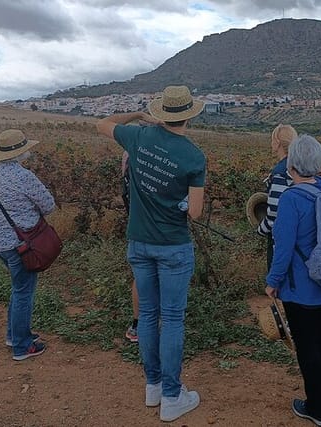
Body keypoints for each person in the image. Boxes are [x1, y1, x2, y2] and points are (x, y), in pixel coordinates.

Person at [96, 85, 206, 423]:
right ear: (189, 114)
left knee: (147, 314)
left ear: (161, 113)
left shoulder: (138, 137)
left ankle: (153, 386)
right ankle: (172, 397)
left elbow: (103, 123)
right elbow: (196, 213)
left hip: (138, 243)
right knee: (172, 319)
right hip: (173, 245)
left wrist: (138, 116)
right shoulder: (193, 156)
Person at [265, 134, 321, 427]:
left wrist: (273, 281)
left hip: (300, 287)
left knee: (307, 346)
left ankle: (318, 409)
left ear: (292, 163)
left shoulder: (291, 199)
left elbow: (282, 247)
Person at [0, 129, 55, 361]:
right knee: (24, 292)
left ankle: (14, 335)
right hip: (21, 246)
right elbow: (48, 205)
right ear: (20, 152)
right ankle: (22, 347)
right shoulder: (24, 176)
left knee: (18, 289)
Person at [257, 124, 298, 270]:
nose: (271, 143)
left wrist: (261, 229)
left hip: (281, 238)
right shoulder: (298, 166)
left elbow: (275, 212)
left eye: (272, 140)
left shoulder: (280, 172)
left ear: (278, 143)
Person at [120, 150, 139, 343]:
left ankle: (137, 326)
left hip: (136, 225)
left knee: (140, 276)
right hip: (164, 229)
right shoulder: (167, 150)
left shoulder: (128, 153)